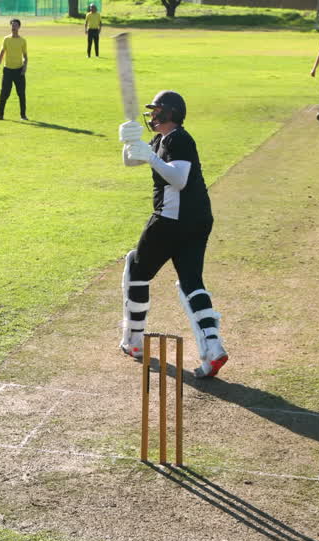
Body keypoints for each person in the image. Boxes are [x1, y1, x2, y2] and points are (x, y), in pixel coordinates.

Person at [117, 91, 228, 378]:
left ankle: (134, 341)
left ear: (170, 113)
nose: (152, 115)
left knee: (136, 270)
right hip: (198, 220)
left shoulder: (179, 138)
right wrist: (130, 143)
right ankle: (214, 349)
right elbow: (132, 161)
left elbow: (178, 179)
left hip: (171, 219)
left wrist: (150, 157)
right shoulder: (163, 139)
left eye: (156, 111)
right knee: (191, 282)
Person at [0, 19, 28, 121]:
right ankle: (0, 115)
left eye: (15, 25)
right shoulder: (6, 39)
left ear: (19, 27)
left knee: (21, 94)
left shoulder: (22, 41)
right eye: (12, 25)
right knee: (4, 93)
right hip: (8, 70)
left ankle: (23, 115)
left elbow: (25, 56)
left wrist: (25, 67)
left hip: (19, 71)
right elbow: (1, 54)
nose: (13, 28)